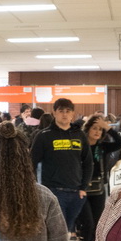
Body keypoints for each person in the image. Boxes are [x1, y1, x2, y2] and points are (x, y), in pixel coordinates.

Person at [30, 97, 92, 232]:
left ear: (72, 114)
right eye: (61, 111)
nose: (64, 114)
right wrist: (34, 188)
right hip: (53, 191)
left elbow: (88, 162)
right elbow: (31, 163)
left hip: (76, 193)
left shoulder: (79, 135)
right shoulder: (44, 136)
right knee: (58, 231)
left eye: (68, 111)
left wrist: (83, 187)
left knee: (67, 232)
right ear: (54, 113)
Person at [76, 114, 121, 241]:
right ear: (88, 129)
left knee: (97, 225)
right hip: (82, 189)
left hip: (98, 189)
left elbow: (120, 142)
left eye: (100, 129)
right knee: (88, 224)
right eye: (94, 128)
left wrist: (107, 127)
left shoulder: (102, 146)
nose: (97, 132)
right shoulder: (80, 145)